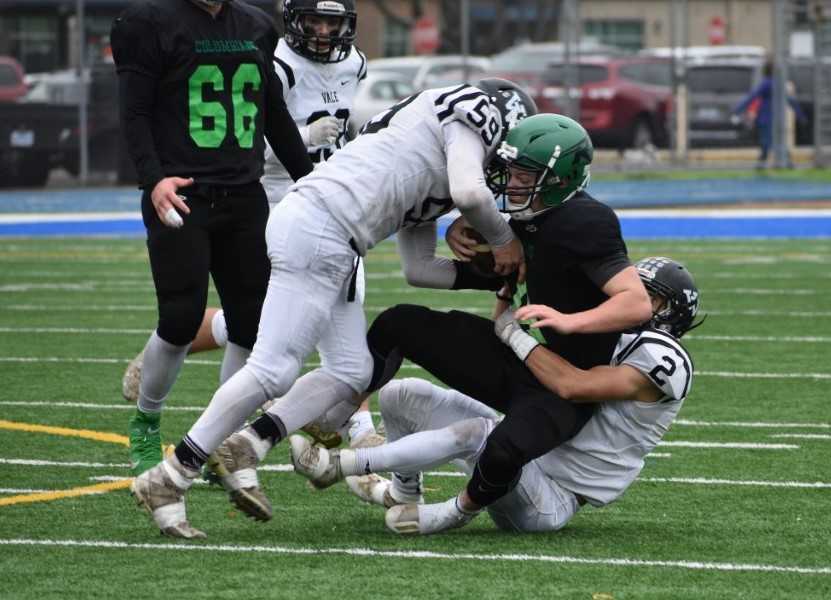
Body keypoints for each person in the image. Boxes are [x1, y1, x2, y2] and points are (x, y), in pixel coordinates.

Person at [130, 78, 537, 538]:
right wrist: (505, 241)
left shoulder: (428, 156)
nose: (505, 171)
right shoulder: (472, 109)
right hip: (321, 227)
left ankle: (251, 441)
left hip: (333, 237)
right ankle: (173, 474)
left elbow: (420, 269)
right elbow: (472, 194)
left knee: (352, 369)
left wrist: (488, 276)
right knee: (272, 370)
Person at [287, 113, 654, 533]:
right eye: (510, 170)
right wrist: (458, 232)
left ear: (560, 179)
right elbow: (487, 257)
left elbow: (635, 302)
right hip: (518, 355)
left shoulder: (586, 221)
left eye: (525, 174)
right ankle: (335, 418)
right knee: (399, 323)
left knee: (500, 452)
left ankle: (453, 512)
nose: (512, 182)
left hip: (564, 384)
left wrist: (571, 320)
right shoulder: (528, 215)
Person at [118, 0, 372, 449]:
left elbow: (272, 113)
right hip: (183, 190)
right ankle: (146, 423)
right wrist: (153, 180)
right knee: (179, 319)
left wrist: (315, 188)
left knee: (252, 328)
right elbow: (135, 112)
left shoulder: (255, 25)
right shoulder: (148, 22)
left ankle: (220, 436)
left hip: (243, 193)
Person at [291, 256, 700, 534]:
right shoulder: (608, 332)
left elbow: (573, 385)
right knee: (400, 395)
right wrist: (507, 299)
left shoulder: (663, 359)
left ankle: (342, 465)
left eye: (651, 297)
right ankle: (403, 489)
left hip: (551, 497)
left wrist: (518, 338)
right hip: (527, 450)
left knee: (480, 433)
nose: (633, 300)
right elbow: (510, 346)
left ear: (672, 311)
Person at [732, 60, 805, 170]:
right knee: (774, 141)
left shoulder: (766, 83)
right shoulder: (779, 83)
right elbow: (790, 100)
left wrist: (738, 109)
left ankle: (780, 163)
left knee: (768, 141)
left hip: (766, 118)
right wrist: (800, 115)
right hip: (777, 118)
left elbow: (752, 96)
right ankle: (779, 163)